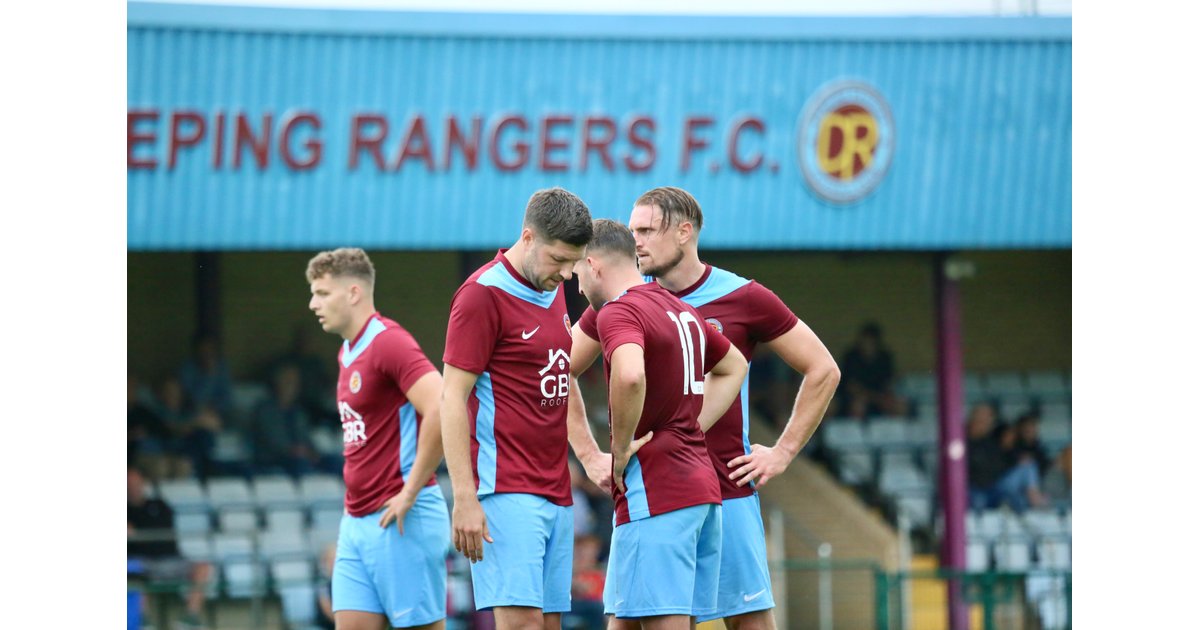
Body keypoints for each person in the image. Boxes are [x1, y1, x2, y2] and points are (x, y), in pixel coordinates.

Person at [571, 187, 840, 629]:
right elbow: (558, 370)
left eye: (646, 230)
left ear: (684, 232)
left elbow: (823, 369)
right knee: (632, 621)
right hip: (652, 486)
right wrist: (588, 453)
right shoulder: (625, 301)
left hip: (726, 488)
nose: (636, 241)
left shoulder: (743, 296)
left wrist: (783, 451)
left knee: (748, 623)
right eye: (632, 230)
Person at [574, 218, 749, 627]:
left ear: (594, 265)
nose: (575, 284)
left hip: (656, 493)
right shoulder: (681, 308)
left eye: (577, 271)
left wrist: (618, 450)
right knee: (624, 620)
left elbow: (630, 374)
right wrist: (690, 426)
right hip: (698, 490)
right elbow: (734, 365)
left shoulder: (617, 311)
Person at [440, 187, 599, 630]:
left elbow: (562, 372)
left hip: (557, 492)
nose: (566, 274)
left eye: (573, 263)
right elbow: (451, 398)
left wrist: (588, 455)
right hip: (505, 488)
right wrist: (464, 497)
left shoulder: (551, 286)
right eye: (558, 259)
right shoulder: (481, 295)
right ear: (527, 237)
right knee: (522, 624)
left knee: (549, 624)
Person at [306, 247, 450, 630]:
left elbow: (442, 406)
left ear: (353, 292)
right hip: (355, 521)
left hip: (402, 518)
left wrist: (409, 491)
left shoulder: (389, 342)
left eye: (322, 293)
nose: (313, 304)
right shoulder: (346, 352)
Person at [127, 466, 213, 629]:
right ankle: (143, 620)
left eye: (136, 483)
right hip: (143, 562)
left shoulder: (159, 505)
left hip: (171, 559)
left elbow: (164, 529)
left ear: (143, 484)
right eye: (129, 484)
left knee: (202, 567)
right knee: (133, 569)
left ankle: (190, 617)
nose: (133, 488)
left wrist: (137, 531)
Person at [836, 322, 907, 419]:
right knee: (858, 405)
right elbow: (851, 386)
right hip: (854, 399)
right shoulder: (851, 357)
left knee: (900, 406)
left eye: (871, 342)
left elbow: (890, 382)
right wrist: (872, 397)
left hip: (880, 398)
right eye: (865, 341)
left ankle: (893, 429)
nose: (868, 345)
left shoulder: (884, 358)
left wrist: (883, 398)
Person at [178, 334, 234, 417]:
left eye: (211, 348)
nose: (207, 352)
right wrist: (209, 376)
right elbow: (192, 401)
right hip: (193, 414)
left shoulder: (221, 366)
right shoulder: (187, 368)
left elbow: (227, 399)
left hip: (218, 414)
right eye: (204, 347)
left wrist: (214, 409)